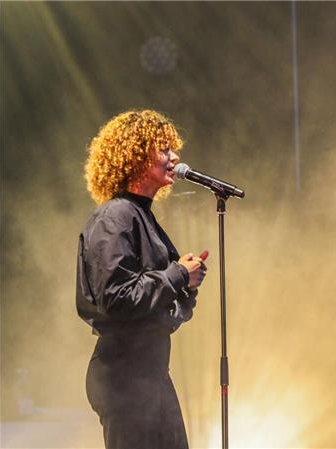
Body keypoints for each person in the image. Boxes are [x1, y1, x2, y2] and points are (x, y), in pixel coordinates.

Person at [76, 109, 208, 449]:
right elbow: (117, 298)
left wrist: (185, 286)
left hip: (148, 372)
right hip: (125, 373)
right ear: (134, 154)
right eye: (163, 148)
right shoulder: (116, 216)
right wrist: (178, 273)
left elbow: (152, 306)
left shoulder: (140, 216)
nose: (175, 157)